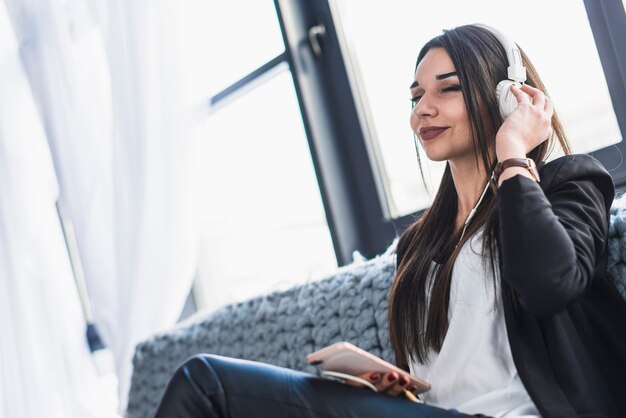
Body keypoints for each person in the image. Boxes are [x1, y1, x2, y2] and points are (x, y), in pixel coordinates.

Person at [153, 24, 626, 418]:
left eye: (449, 89)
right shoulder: (418, 247)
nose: (423, 109)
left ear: (507, 97)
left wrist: (512, 154)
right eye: (416, 95)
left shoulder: (567, 183)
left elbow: (548, 283)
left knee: (208, 383)